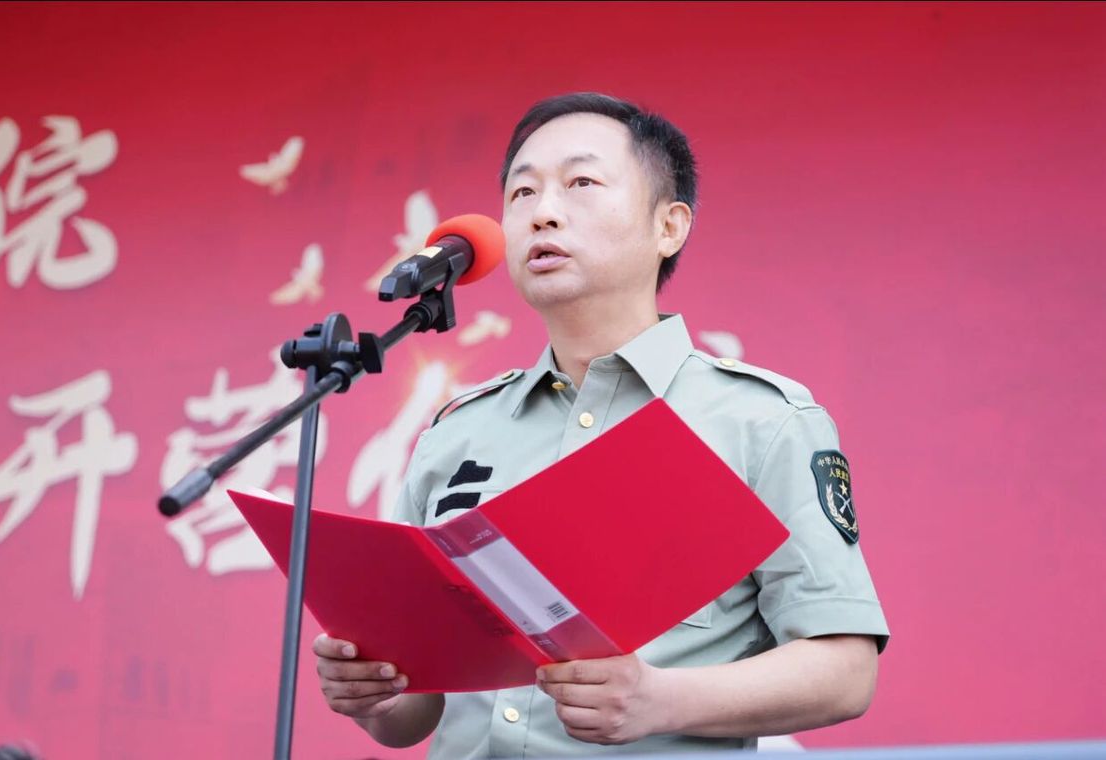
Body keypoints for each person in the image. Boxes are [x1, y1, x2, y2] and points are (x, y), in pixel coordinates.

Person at [313, 92, 889, 757]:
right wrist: (378, 693)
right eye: (522, 192)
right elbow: (413, 716)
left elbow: (846, 671)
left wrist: (660, 700)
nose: (543, 212)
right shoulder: (457, 433)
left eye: (581, 183)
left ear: (668, 226)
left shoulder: (759, 422)